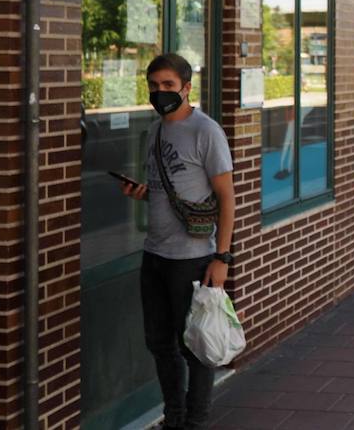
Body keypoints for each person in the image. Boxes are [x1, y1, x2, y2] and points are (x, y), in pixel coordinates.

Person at [121, 53, 235, 430]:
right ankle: (175, 417)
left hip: (193, 257)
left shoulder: (206, 131)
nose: (160, 92)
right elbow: (167, 186)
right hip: (154, 253)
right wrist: (143, 193)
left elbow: (227, 197)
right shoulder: (156, 130)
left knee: (194, 348)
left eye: (168, 85)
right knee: (159, 343)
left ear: (187, 88)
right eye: (154, 86)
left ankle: (194, 422)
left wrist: (222, 257)